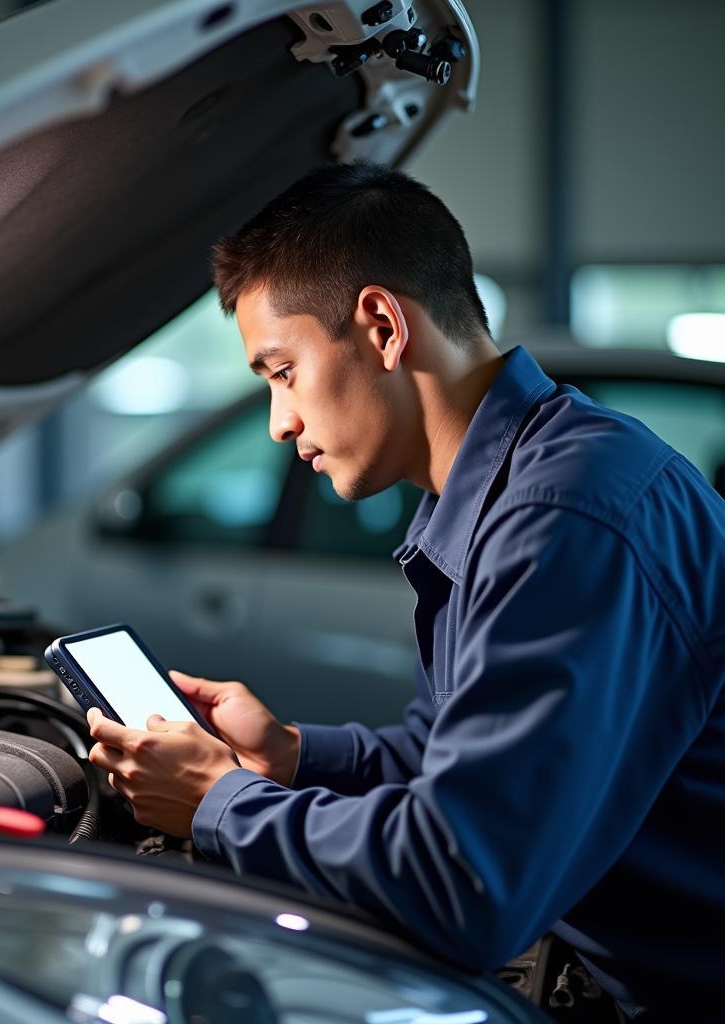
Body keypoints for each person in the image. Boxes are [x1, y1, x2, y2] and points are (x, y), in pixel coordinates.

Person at [86, 164, 725, 1021]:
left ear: (383, 326)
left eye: (281, 372)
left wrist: (220, 804)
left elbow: (464, 883)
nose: (279, 422)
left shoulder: (564, 517)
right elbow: (455, 759)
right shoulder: (504, 485)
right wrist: (293, 756)